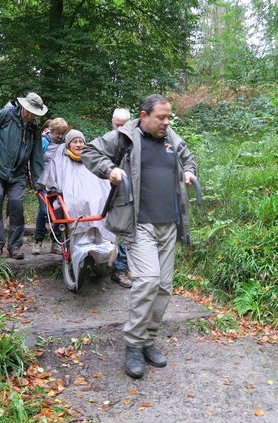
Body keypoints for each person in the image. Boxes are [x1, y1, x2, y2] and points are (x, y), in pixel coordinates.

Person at [82, 94, 197, 379]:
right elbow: (89, 151)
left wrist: (190, 173)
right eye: (161, 117)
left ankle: (148, 340)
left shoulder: (171, 138)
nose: (166, 122)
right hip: (138, 223)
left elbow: (189, 158)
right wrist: (110, 170)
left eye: (169, 117)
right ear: (144, 115)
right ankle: (133, 345)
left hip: (169, 224)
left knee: (164, 287)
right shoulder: (125, 137)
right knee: (147, 281)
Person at [0, 92, 47, 260]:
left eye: (34, 113)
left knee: (17, 205)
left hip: (18, 174)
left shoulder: (34, 129)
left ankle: (15, 246)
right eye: (29, 110)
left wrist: (38, 182)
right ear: (23, 106)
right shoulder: (6, 115)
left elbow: (37, 157)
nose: (31, 115)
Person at [38, 129, 114, 290]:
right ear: (68, 144)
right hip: (70, 201)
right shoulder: (60, 160)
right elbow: (52, 181)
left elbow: (103, 179)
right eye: (75, 142)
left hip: (94, 199)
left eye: (81, 141)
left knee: (100, 199)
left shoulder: (91, 159)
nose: (79, 144)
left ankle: (100, 249)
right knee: (78, 202)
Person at [33, 117, 68, 255]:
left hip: (59, 183)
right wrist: (35, 182)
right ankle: (38, 241)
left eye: (61, 133)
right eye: (57, 133)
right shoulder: (43, 141)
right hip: (43, 181)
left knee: (59, 212)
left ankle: (56, 243)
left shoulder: (65, 143)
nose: (59, 136)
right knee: (44, 211)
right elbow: (35, 161)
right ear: (51, 130)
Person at [110, 108, 133, 288]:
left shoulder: (135, 142)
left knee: (125, 233)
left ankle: (120, 269)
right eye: (117, 125)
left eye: (123, 125)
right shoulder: (108, 141)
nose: (120, 129)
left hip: (126, 194)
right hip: (107, 192)